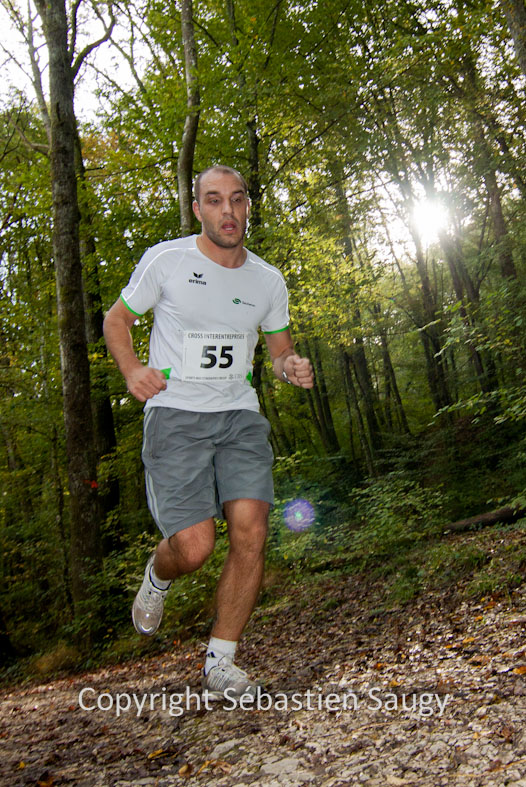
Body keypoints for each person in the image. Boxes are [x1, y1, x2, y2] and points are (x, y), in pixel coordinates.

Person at [103, 165, 314, 700]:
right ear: (198, 209)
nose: (228, 211)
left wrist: (290, 365)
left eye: (237, 200)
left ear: (247, 207)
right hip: (176, 415)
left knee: (252, 530)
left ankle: (221, 661)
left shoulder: (267, 280)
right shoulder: (168, 261)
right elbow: (116, 320)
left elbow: (280, 348)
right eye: (214, 200)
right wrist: (132, 370)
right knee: (195, 548)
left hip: (239, 414)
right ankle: (158, 573)